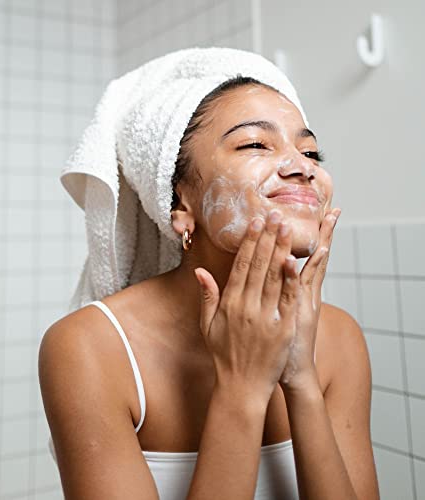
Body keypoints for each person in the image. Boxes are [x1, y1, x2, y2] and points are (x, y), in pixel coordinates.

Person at [39, 49, 379, 499]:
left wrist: (301, 381)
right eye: (255, 144)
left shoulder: (338, 338)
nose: (303, 166)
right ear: (180, 202)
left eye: (311, 151)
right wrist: (241, 387)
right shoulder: (89, 348)